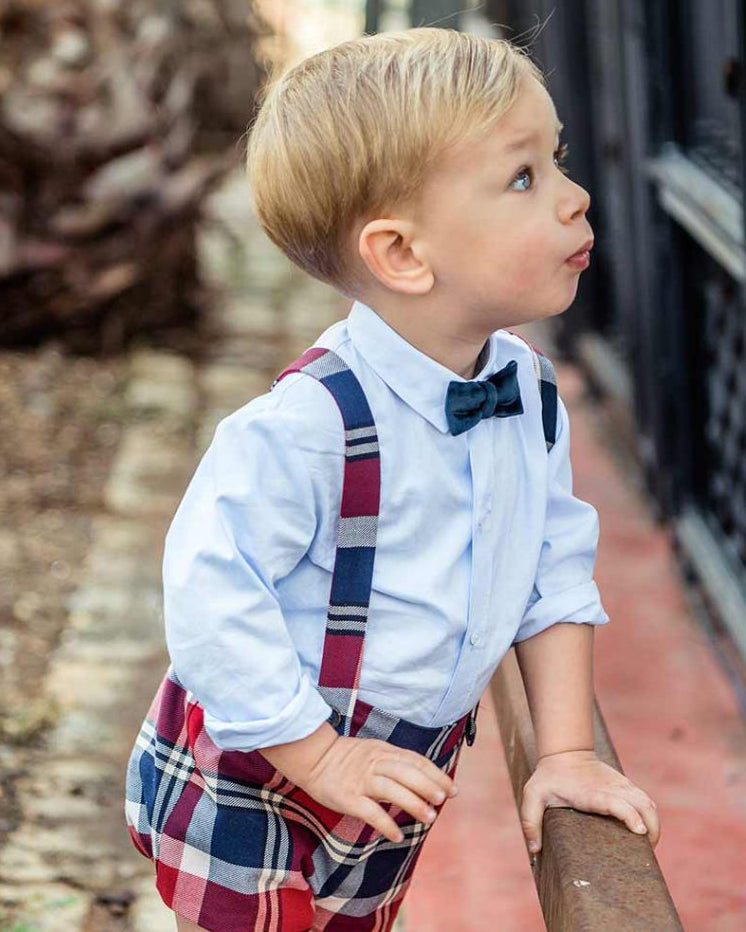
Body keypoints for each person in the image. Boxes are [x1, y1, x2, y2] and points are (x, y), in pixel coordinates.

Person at [124, 26, 660, 932]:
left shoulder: (522, 389)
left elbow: (552, 569)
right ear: (403, 254)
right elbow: (210, 591)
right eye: (524, 178)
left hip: (397, 773)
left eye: (557, 159)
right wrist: (321, 757)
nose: (576, 199)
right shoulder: (307, 425)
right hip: (261, 765)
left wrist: (565, 751)